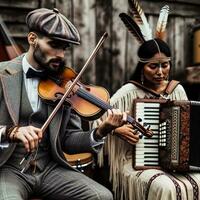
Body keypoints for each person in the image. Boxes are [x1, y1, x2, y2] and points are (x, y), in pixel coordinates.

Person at [0, 8, 128, 200]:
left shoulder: (67, 84)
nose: (60, 54)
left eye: (64, 48)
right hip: (9, 169)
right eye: (54, 45)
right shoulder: (2, 74)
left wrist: (101, 131)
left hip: (49, 169)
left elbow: (68, 140)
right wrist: (10, 132)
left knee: (102, 196)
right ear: (32, 38)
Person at [93, 38, 200, 200]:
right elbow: (96, 119)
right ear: (142, 67)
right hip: (134, 159)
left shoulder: (177, 90)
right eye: (153, 66)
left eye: (164, 65)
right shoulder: (129, 91)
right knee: (166, 187)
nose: (160, 72)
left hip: (175, 161)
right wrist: (116, 129)